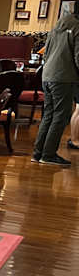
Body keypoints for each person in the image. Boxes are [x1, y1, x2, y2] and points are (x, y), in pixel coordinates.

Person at [33, 10, 79, 165]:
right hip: (63, 77)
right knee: (61, 116)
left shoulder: (57, 26)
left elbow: (45, 53)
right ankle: (48, 155)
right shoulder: (77, 27)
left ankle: (38, 153)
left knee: (48, 115)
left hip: (47, 75)